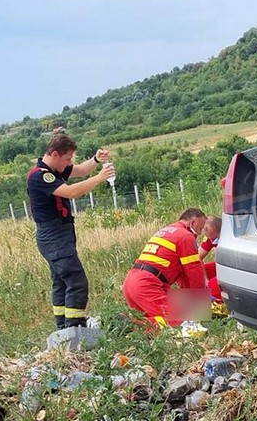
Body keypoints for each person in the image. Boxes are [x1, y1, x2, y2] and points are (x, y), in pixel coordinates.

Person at [26, 134, 115, 329]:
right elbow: (71, 192)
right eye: (67, 159)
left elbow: (81, 170)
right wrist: (100, 178)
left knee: (61, 282)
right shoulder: (40, 175)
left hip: (61, 233)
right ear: (55, 154)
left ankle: (63, 327)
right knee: (76, 280)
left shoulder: (55, 169)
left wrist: (96, 160)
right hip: (53, 235)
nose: (70, 163)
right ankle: (75, 327)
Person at [123, 208, 208, 326]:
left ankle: (124, 324)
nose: (199, 233)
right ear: (192, 223)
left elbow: (182, 276)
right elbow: (194, 271)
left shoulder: (166, 231)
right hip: (147, 284)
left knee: (153, 319)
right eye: (200, 229)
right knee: (180, 321)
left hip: (132, 281)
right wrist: (199, 303)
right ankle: (126, 325)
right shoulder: (186, 237)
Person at [199, 215, 222, 301]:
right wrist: (205, 279)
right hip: (221, 265)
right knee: (197, 273)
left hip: (233, 268)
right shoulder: (211, 237)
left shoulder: (231, 236)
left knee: (211, 288)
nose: (212, 241)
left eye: (215, 238)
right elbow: (198, 258)